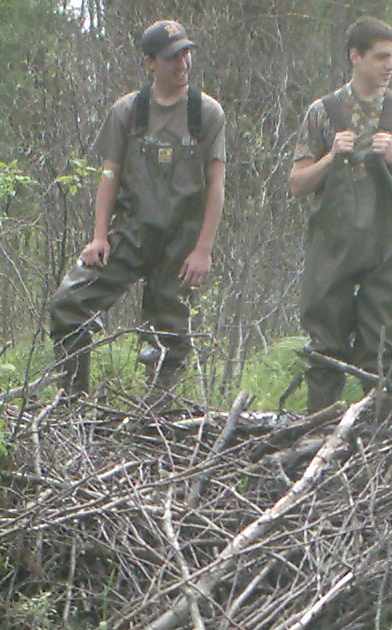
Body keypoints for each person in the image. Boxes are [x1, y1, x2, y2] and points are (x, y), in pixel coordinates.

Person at [48, 19, 226, 398]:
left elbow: (216, 185)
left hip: (181, 245)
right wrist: (99, 237)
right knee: (68, 304)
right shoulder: (128, 110)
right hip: (130, 234)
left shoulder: (206, 112)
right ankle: (71, 404)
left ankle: (157, 422)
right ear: (149, 62)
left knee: (169, 340)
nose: (182, 65)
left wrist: (203, 249)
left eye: (186, 54)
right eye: (172, 58)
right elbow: (109, 175)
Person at [287, 16, 392, 414]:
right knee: (325, 348)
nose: (390, 66)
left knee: (382, 349)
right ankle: (318, 435)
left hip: (387, 245)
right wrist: (332, 157)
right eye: (381, 57)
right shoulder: (323, 112)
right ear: (355, 56)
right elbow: (298, 183)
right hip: (332, 245)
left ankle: (377, 445)